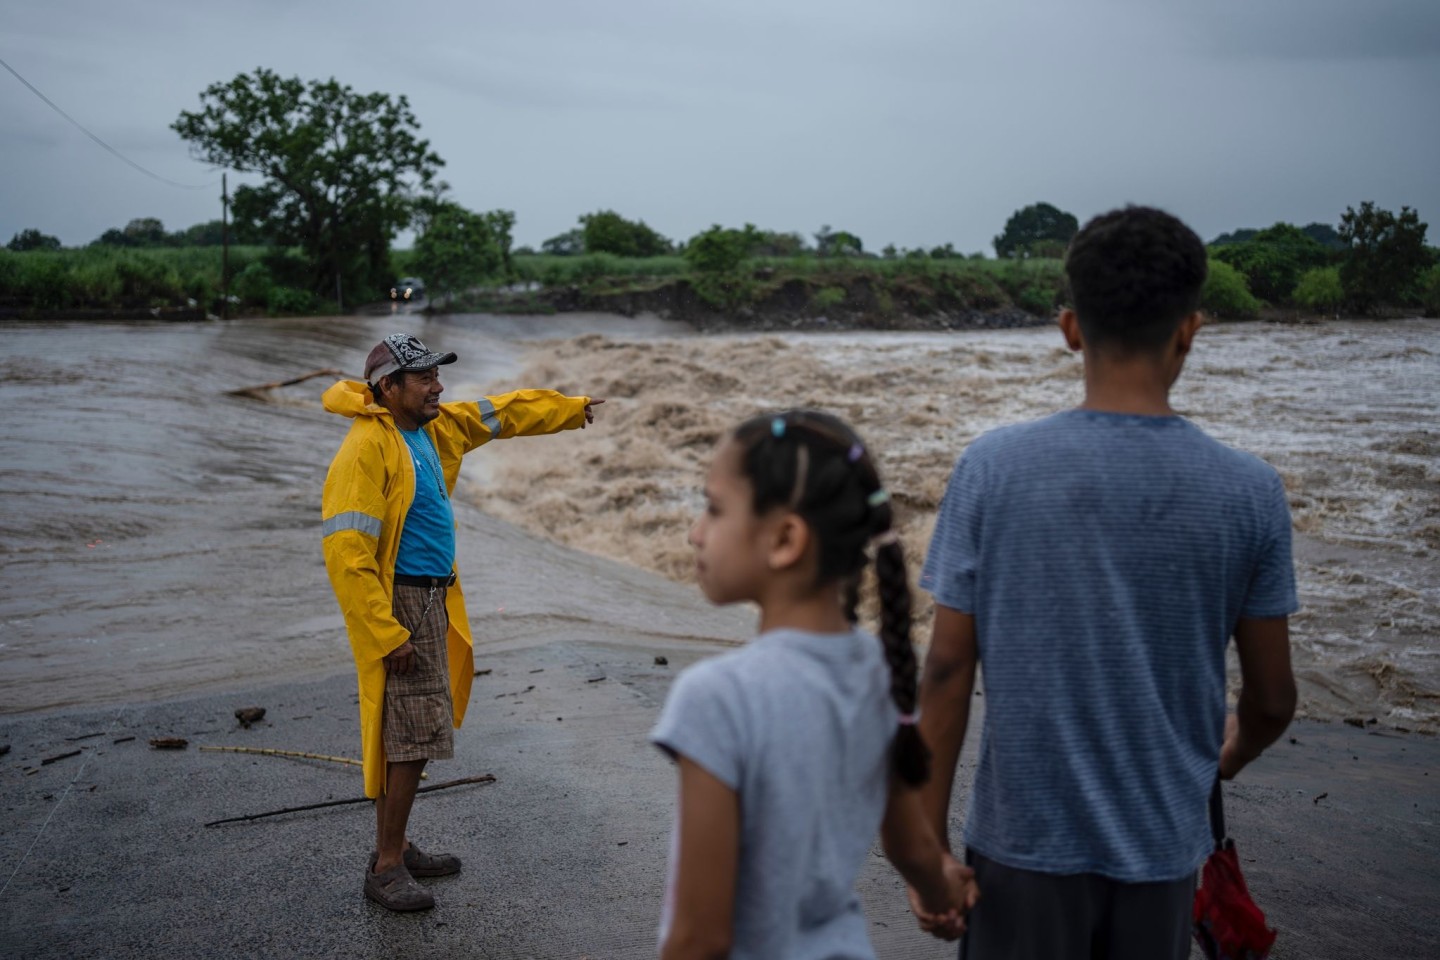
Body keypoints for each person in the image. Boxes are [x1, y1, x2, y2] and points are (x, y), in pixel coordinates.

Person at [910, 206, 1298, 959]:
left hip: (1020, 850)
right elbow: (1274, 699)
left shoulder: (993, 468)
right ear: (1190, 328)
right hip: (1162, 853)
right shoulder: (1249, 491)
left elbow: (948, 671)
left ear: (1070, 328)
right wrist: (1230, 753)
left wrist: (931, 862)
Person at [651, 409, 979, 959]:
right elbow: (910, 842)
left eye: (713, 508)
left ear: (784, 538)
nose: (695, 532)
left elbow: (698, 939)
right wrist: (943, 888)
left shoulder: (716, 696)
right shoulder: (879, 669)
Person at [321, 332, 603, 912]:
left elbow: (505, 411)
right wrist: (384, 632)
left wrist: (570, 409)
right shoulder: (365, 449)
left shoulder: (434, 428)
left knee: (411, 734)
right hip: (398, 604)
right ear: (388, 387)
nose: (438, 386)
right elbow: (347, 553)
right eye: (423, 378)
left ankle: (393, 844)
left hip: (432, 597)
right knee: (411, 738)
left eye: (436, 375)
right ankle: (388, 865)